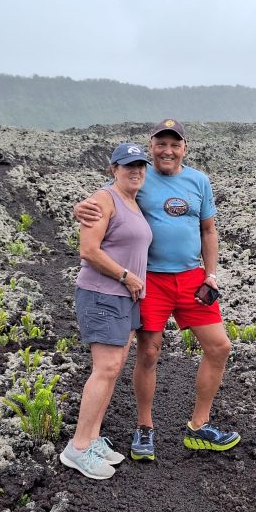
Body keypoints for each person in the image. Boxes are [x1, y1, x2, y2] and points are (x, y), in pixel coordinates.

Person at [74, 119, 240, 461]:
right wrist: (78, 208)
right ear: (152, 148)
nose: (167, 150)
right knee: (149, 352)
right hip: (151, 280)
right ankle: (144, 427)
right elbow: (104, 201)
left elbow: (208, 230)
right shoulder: (140, 178)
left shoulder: (199, 181)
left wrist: (211, 274)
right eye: (161, 144)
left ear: (184, 148)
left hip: (193, 278)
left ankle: (199, 426)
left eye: (174, 144)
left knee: (220, 346)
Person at [60, 143, 152, 480]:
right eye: (128, 165)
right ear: (113, 168)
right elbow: (88, 250)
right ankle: (79, 447)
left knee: (113, 369)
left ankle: (94, 437)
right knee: (105, 368)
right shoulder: (103, 199)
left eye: (140, 165)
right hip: (104, 294)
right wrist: (126, 276)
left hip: (126, 298)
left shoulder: (134, 201)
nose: (135, 171)